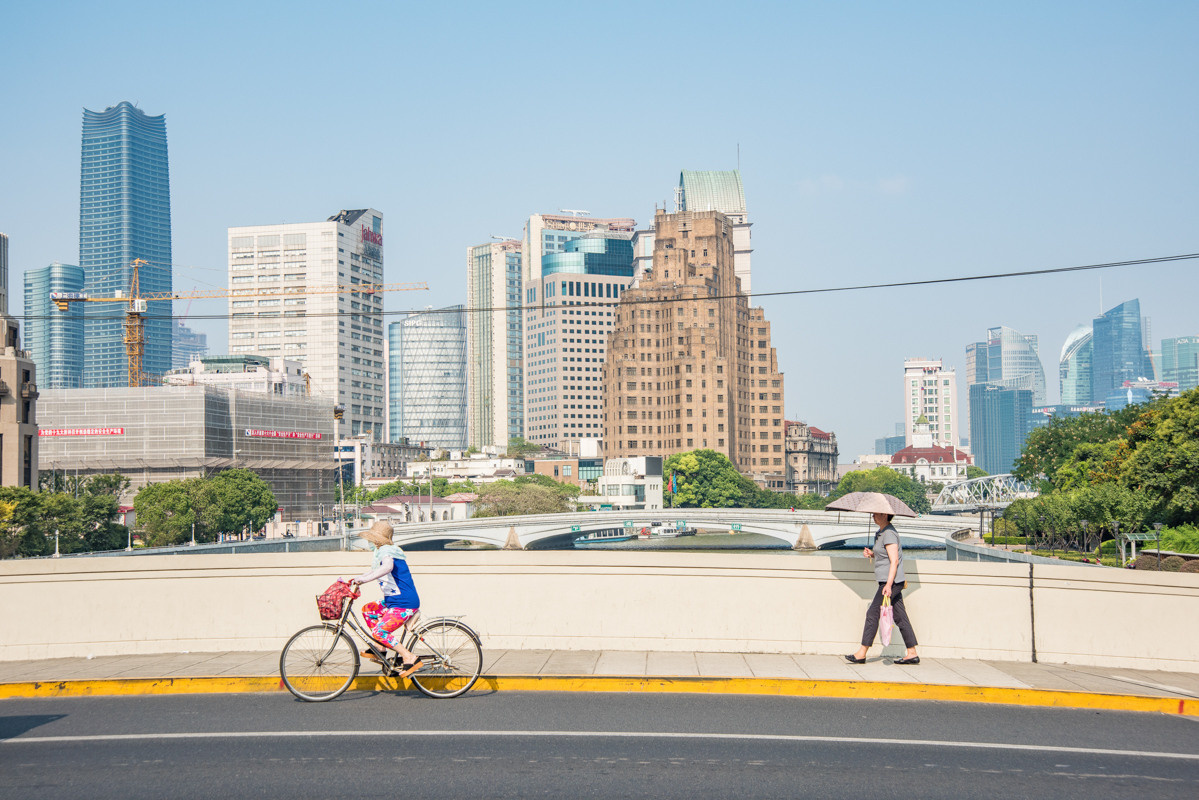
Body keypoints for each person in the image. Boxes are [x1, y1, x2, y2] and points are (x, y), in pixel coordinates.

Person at [349, 520, 424, 678]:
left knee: (379, 631)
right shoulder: (383, 552)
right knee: (368, 610)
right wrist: (358, 578)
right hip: (393, 601)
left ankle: (409, 656)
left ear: (377, 539)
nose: (369, 542)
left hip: (404, 603)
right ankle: (381, 648)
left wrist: (365, 580)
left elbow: (387, 567)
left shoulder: (387, 551)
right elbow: (374, 571)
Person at [845, 512, 920, 665]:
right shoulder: (880, 533)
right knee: (900, 616)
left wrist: (888, 585)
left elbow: (894, 561)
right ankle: (912, 653)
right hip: (889, 581)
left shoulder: (889, 534)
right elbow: (885, 556)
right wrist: (872, 554)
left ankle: (862, 653)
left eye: (876, 514)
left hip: (891, 582)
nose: (873, 516)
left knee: (872, 613)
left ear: (885, 515)